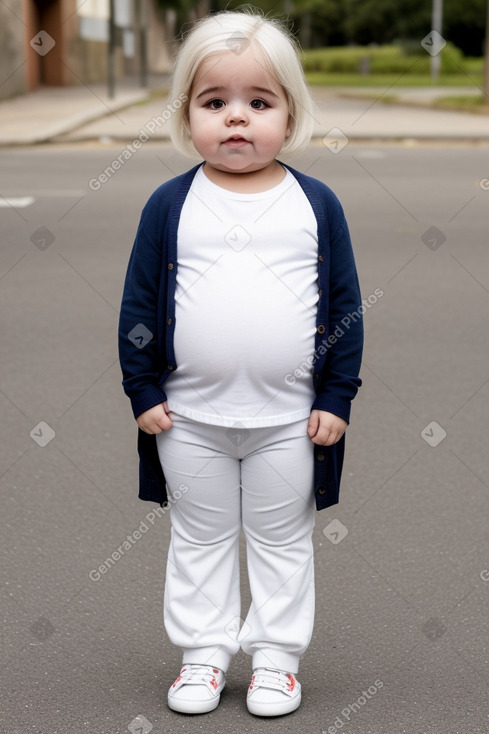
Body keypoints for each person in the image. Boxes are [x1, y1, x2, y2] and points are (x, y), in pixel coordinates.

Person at [118, 7, 363, 719]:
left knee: (282, 539)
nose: (235, 119)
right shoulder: (171, 205)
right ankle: (202, 653)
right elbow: (139, 305)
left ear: (289, 114)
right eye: (213, 102)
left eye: (258, 103)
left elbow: (344, 307)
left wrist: (335, 397)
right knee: (198, 537)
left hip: (290, 421)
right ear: (185, 113)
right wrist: (141, 389)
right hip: (186, 417)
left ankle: (277, 661)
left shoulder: (314, 204)